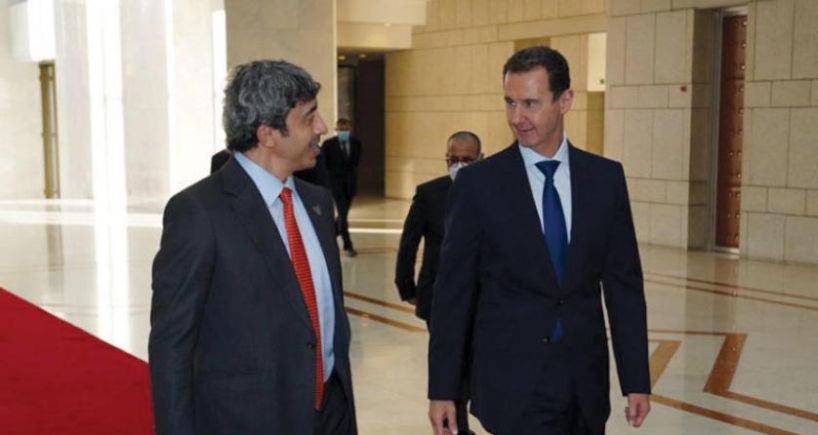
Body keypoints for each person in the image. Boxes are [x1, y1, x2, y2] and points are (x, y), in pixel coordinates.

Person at [428, 46, 651, 435]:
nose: (517, 117)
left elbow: (624, 286)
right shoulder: (479, 185)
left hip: (584, 383)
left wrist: (636, 380)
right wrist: (443, 389)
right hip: (513, 384)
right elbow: (452, 293)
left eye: (530, 103)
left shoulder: (604, 179)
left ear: (565, 101)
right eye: (510, 103)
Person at [149, 60, 357, 435]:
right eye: (309, 117)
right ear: (268, 135)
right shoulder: (199, 212)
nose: (322, 127)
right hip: (248, 420)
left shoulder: (317, 202)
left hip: (331, 414)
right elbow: (172, 347)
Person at [395, 131, 483, 435]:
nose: (458, 165)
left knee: (473, 362)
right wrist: (406, 287)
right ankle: (456, 426)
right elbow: (409, 242)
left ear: (481, 159)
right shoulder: (429, 193)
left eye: (466, 160)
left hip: (481, 299)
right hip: (438, 297)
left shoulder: (494, 193)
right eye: (453, 159)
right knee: (449, 362)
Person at [322, 118, 362, 257]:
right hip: (335, 185)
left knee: (342, 215)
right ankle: (347, 244)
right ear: (336, 130)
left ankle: (329, 236)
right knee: (343, 215)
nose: (343, 132)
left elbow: (355, 163)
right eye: (341, 130)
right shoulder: (328, 145)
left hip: (349, 185)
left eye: (346, 130)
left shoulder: (356, 144)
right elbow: (324, 165)